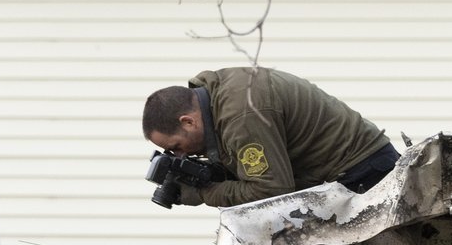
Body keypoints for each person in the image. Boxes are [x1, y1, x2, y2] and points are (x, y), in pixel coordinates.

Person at [142, 67, 400, 207]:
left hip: (365, 175)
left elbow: (271, 191)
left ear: (188, 121)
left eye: (177, 147)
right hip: (344, 177)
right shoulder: (216, 96)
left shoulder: (240, 116)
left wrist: (203, 192)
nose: (182, 155)